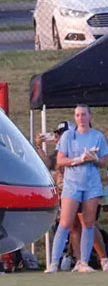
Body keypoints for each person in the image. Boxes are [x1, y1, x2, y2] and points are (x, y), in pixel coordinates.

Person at [45, 105, 108, 273]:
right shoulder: (68, 136)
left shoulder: (97, 136)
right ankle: (53, 263)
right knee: (65, 222)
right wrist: (79, 159)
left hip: (91, 184)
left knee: (88, 223)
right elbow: (60, 161)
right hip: (72, 183)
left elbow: (103, 161)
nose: (80, 118)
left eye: (83, 114)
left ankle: (84, 262)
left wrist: (94, 158)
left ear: (89, 116)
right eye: (77, 115)